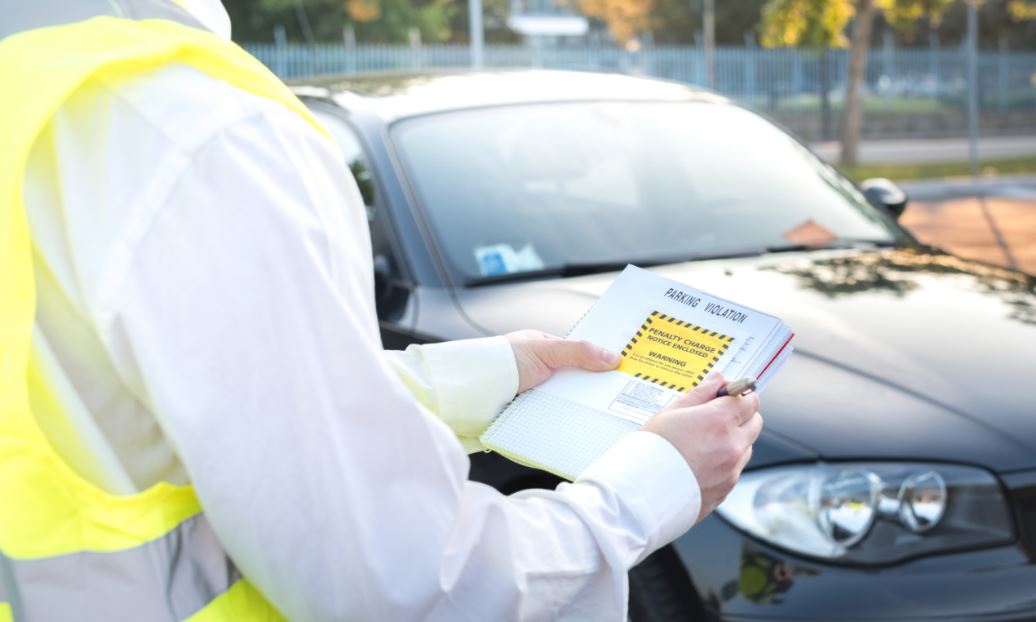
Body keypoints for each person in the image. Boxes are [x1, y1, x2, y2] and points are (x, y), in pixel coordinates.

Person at [0, 0, 763, 619]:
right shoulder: (198, 135)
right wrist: (653, 489)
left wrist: (491, 376)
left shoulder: (31, 88)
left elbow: (146, 410)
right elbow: (406, 585)